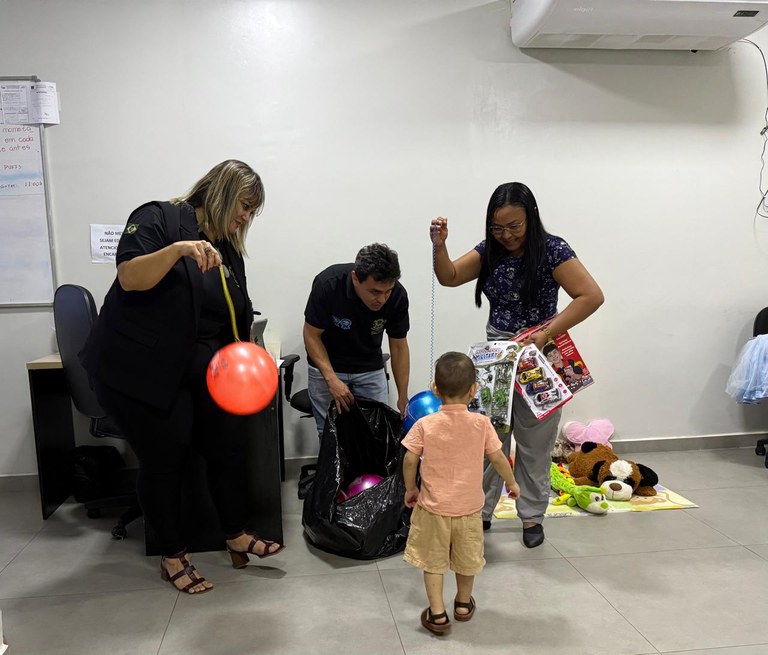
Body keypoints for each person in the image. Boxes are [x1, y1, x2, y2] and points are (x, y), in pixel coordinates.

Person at [80, 160, 285, 594]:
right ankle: (172, 555)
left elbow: (233, 312)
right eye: (245, 206)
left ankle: (234, 532)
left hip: (197, 372)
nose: (246, 218)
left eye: (252, 211)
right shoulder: (158, 218)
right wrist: (178, 250)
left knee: (227, 446)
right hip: (138, 373)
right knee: (165, 459)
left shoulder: (227, 248)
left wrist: (249, 350)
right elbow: (129, 277)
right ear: (223, 191)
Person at [430, 182, 604, 548]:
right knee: (488, 438)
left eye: (514, 226)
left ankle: (532, 517)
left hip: (540, 353)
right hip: (496, 357)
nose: (506, 235)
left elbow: (591, 296)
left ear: (531, 218)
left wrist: (546, 332)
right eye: (497, 227)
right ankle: (480, 512)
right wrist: (440, 246)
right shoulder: (489, 251)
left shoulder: (554, 249)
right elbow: (448, 277)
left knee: (535, 442)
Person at [402, 352, 519, 635]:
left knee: (433, 560)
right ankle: (463, 604)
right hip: (469, 510)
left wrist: (411, 488)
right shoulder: (481, 424)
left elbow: (409, 460)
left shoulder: (424, 425)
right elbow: (498, 457)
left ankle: (438, 614)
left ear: (435, 389)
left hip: (433, 508)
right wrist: (512, 484)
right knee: (467, 558)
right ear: (473, 390)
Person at [303, 243, 410, 436]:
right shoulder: (328, 284)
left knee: (376, 434)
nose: (382, 299)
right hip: (327, 365)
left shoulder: (398, 296)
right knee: (330, 434)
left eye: (388, 291)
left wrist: (403, 395)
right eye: (375, 292)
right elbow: (311, 335)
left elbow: (399, 347)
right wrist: (331, 379)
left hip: (369, 367)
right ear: (355, 279)